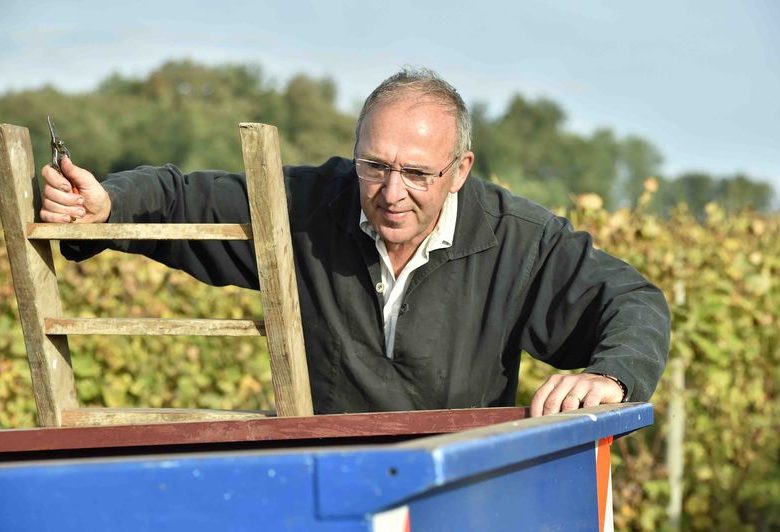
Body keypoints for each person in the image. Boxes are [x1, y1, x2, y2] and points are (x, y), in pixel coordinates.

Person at [40, 67, 670, 417]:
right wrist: (108, 204)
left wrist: (612, 377)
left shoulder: (517, 239)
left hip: (458, 488)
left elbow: (633, 301)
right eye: (375, 165)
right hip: (329, 484)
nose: (392, 192)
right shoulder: (308, 207)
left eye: (418, 174)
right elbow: (182, 196)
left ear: (461, 169)